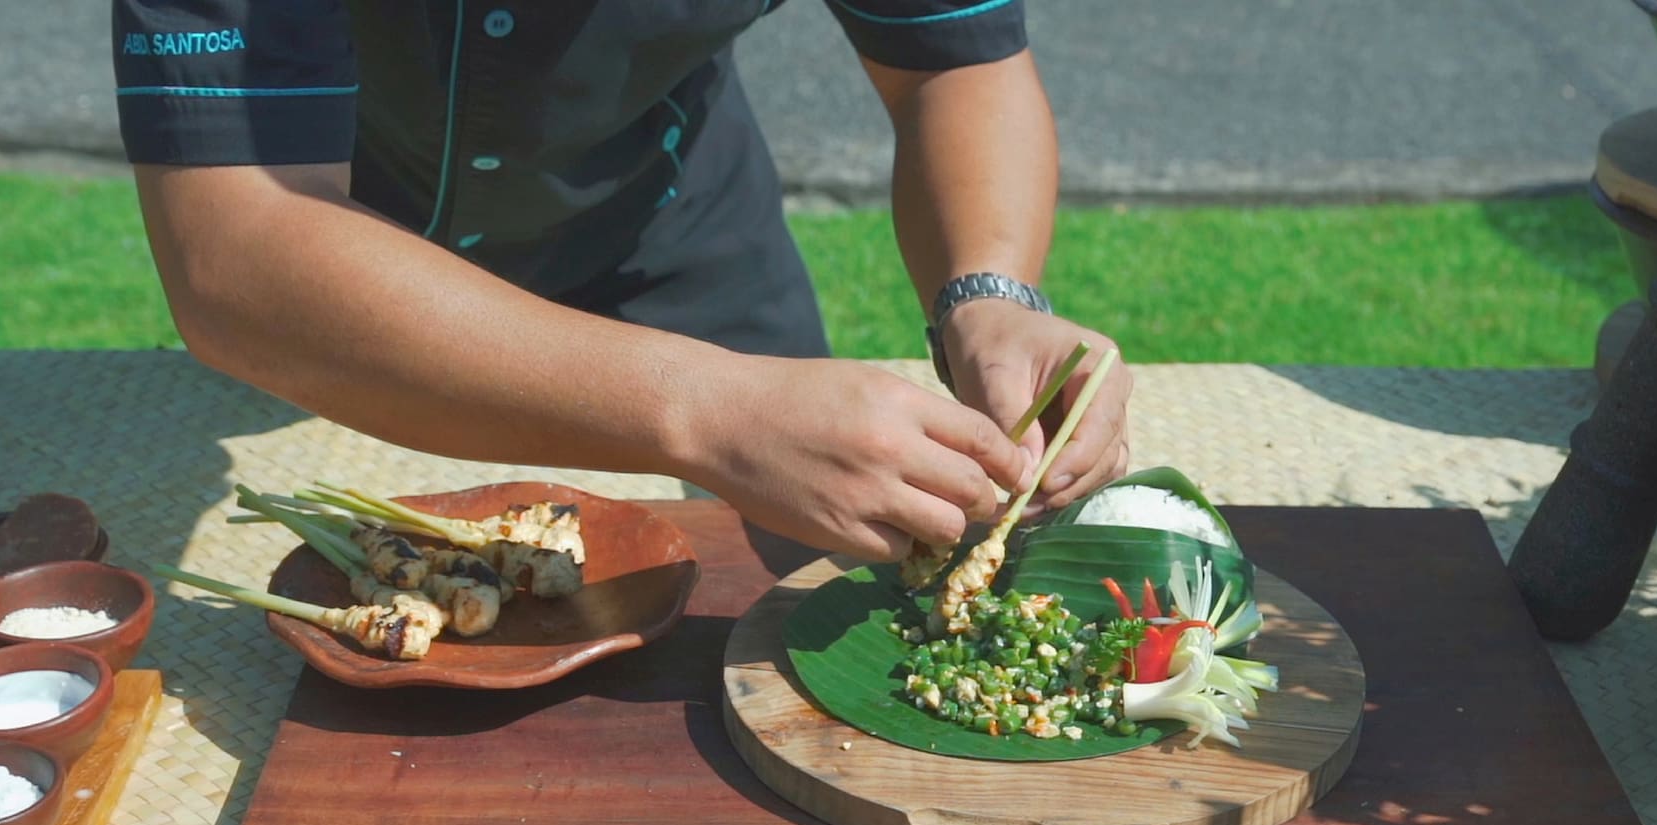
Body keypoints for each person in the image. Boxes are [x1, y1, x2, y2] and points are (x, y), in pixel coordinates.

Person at [111, 0, 1131, 561]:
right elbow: (234, 254)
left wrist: (986, 294)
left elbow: (953, 61)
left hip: (672, 236)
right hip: (332, 286)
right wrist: (709, 409)